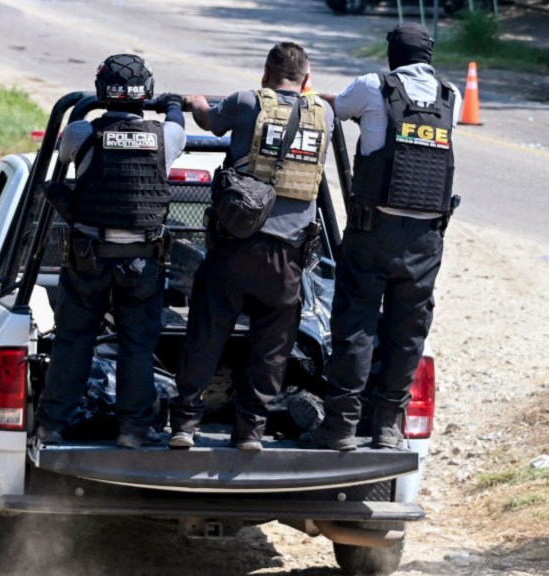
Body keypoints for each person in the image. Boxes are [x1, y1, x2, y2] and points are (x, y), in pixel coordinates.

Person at [302, 23, 462, 451]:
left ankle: (340, 427)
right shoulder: (452, 97)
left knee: (355, 326)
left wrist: (307, 96)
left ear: (394, 54)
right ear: (428, 57)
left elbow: (333, 110)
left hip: (374, 233)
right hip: (426, 240)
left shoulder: (374, 86)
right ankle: (388, 426)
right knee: (408, 333)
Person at [168, 42, 333, 452]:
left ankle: (184, 425)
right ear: (307, 80)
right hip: (288, 258)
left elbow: (209, 122)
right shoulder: (324, 114)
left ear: (265, 72)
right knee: (272, 349)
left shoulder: (245, 101)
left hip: (235, 250)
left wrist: (196, 103)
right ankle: (250, 433)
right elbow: (331, 104)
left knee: (205, 335)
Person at [34, 54, 187, 449]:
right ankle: (134, 430)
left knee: (73, 340)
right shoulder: (166, 137)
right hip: (141, 261)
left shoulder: (81, 132)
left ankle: (52, 425)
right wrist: (171, 104)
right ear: (146, 93)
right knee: (137, 345)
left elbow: (65, 161)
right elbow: (178, 123)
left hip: (89, 259)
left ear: (102, 91)